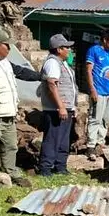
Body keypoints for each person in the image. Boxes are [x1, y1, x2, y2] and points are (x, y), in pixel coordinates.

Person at [0, 26, 47, 189]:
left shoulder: (5, 63)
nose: (9, 48)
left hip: (8, 117)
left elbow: (22, 72)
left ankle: (10, 171)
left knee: (11, 146)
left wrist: (41, 76)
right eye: (7, 45)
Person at [38, 34, 78, 176]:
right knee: (52, 139)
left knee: (63, 139)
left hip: (66, 108)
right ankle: (45, 168)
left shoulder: (63, 63)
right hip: (55, 109)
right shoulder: (52, 63)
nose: (70, 50)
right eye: (67, 48)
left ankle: (60, 166)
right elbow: (52, 84)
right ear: (59, 49)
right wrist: (60, 106)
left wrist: (72, 107)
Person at [84, 29, 109, 160]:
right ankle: (90, 146)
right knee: (95, 118)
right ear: (105, 40)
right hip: (98, 91)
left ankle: (100, 142)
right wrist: (92, 89)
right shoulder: (94, 51)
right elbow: (88, 70)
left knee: (105, 119)